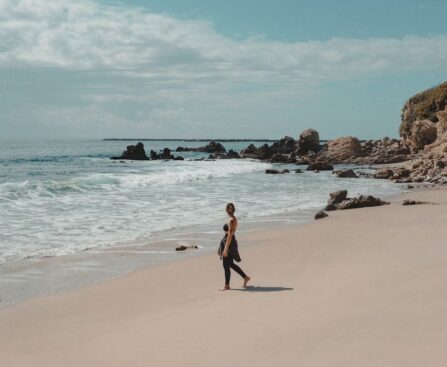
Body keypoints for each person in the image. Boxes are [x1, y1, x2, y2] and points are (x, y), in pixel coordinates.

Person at [218, 203, 250, 291]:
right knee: (229, 264)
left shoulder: (232, 220)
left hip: (230, 243)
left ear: (227, 209)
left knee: (226, 264)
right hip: (227, 242)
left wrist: (225, 248)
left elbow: (230, 235)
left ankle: (227, 285)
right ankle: (245, 277)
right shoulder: (230, 218)